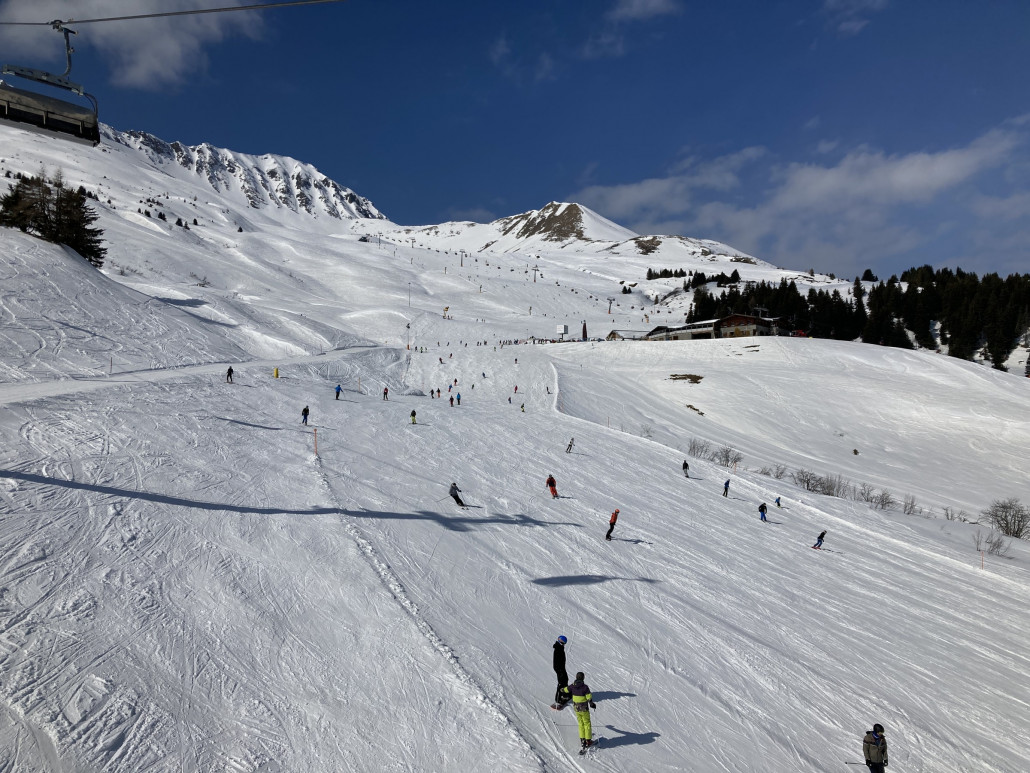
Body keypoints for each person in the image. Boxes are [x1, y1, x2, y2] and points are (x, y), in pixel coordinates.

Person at [559, 672, 596, 749]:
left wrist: (562, 689)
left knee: (580, 723)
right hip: (584, 709)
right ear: (583, 678)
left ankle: (582, 739)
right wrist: (591, 703)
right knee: (587, 723)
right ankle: (588, 741)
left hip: (576, 708)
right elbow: (589, 696)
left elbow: (566, 689)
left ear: (576, 677)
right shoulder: (585, 687)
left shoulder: (573, 686)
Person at [552, 636, 570, 706]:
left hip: (562, 668)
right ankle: (558, 699)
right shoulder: (558, 648)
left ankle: (564, 695)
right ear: (560, 641)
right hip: (559, 668)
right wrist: (559, 671)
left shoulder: (560, 647)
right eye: (563, 643)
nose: (564, 644)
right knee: (561, 683)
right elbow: (556, 662)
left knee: (565, 680)